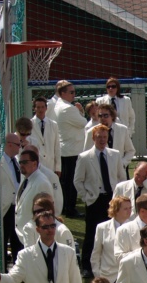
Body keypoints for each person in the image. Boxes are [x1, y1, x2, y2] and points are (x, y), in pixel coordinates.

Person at [75, 124, 125, 277]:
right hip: (95, 200)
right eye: (99, 137)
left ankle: (113, 263)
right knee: (92, 233)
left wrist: (118, 196)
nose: (102, 140)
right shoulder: (84, 157)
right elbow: (78, 181)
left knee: (114, 231)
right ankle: (87, 266)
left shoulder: (115, 155)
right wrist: (87, 197)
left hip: (112, 199)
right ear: (93, 138)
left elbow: (121, 177)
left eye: (104, 137)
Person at [52, 80, 87, 218]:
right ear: (63, 93)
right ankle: (70, 208)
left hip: (66, 149)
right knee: (71, 182)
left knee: (66, 181)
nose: (74, 95)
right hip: (72, 150)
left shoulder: (58, 105)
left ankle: (66, 207)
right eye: (71, 92)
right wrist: (80, 111)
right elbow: (83, 123)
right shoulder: (68, 108)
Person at [13, 148, 54, 247]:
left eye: (25, 162)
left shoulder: (42, 183)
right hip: (21, 234)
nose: (21, 165)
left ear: (35, 163)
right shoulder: (26, 179)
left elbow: (46, 214)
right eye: (20, 162)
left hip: (33, 237)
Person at [91, 196, 132, 283]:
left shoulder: (135, 228)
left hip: (127, 277)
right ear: (116, 210)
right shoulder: (101, 227)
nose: (129, 211)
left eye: (130, 208)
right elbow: (96, 254)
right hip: (107, 276)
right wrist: (97, 275)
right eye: (125, 209)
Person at [83, 103, 135, 173]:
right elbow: (86, 154)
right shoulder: (91, 132)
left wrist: (122, 163)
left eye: (106, 115)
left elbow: (130, 151)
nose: (102, 118)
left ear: (112, 116)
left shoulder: (122, 130)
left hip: (119, 171)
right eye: (100, 116)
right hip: (99, 172)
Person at [30, 95, 61, 175]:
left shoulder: (53, 125)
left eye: (42, 107)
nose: (40, 110)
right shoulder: (30, 125)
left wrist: (58, 167)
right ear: (34, 108)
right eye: (38, 107)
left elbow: (57, 147)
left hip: (50, 165)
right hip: (36, 166)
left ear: (46, 108)